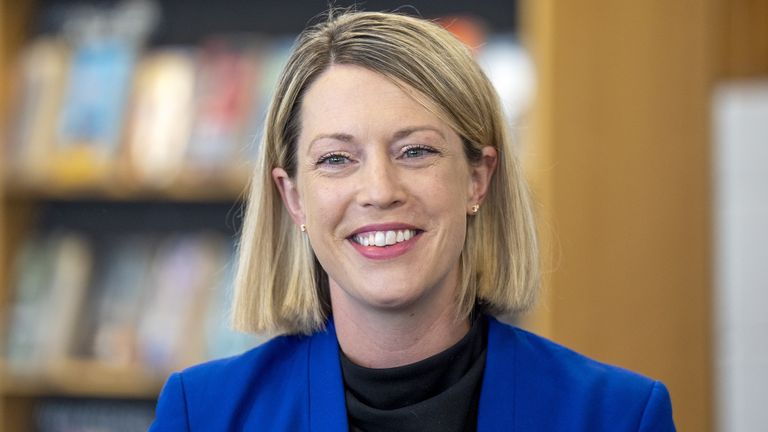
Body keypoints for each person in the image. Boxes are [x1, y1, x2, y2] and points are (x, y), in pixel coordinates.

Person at [149, 10, 675, 432]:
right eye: (336, 159)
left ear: (477, 178)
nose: (379, 191)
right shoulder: (205, 414)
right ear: (293, 198)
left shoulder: (618, 416)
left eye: (416, 151)